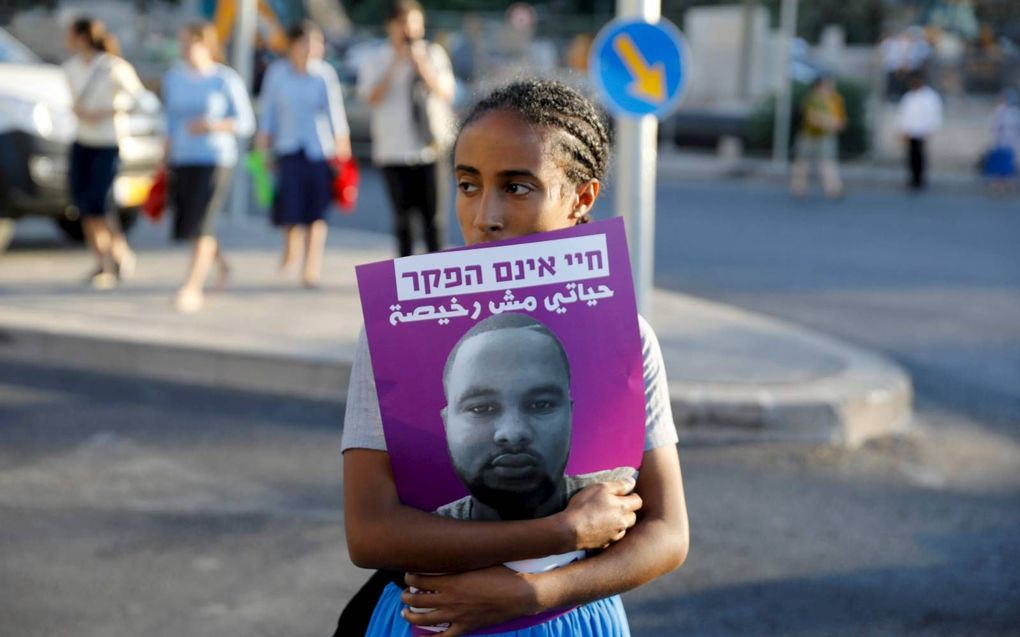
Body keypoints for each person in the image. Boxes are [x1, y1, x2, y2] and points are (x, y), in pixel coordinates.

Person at [339, 80, 688, 637]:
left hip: (572, 619)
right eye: (468, 185)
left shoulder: (625, 337)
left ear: (581, 198)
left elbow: (668, 533)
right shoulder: (397, 330)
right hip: (429, 619)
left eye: (518, 187)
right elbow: (371, 533)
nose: (486, 215)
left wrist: (535, 594)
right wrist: (562, 534)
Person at [437, 313, 633, 522]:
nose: (513, 433)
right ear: (446, 423)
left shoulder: (621, 491)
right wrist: (566, 532)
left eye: (542, 404)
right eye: (481, 408)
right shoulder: (418, 539)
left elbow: (666, 534)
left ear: (570, 414)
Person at [162, 22, 254, 312]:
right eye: (183, 42)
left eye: (192, 42)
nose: (186, 49)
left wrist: (212, 125)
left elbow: (245, 122)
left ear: (206, 45)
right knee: (191, 224)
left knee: (203, 221)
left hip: (215, 158)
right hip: (182, 157)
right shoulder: (174, 77)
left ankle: (192, 286)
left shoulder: (223, 79)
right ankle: (222, 266)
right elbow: (168, 120)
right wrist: (163, 156)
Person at [256, 21, 351, 288]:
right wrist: (263, 149)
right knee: (290, 209)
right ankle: (291, 247)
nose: (312, 49)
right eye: (307, 42)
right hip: (288, 149)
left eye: (317, 43)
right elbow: (268, 115)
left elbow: (336, 115)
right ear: (293, 44)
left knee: (316, 211)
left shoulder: (324, 74)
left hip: (319, 151)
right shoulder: (277, 73)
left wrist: (343, 151)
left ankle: (311, 268)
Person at [357, 0, 455, 257]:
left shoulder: (433, 54)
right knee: (404, 221)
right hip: (393, 150)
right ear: (391, 27)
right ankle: (407, 276)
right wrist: (395, 65)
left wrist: (421, 66)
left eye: (414, 24)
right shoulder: (377, 57)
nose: (409, 30)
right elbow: (371, 96)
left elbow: (447, 92)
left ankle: (439, 275)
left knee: (434, 219)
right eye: (403, 24)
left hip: (429, 148)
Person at [63, 17, 145, 289]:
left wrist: (106, 111)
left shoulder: (112, 67)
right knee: (84, 206)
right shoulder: (71, 68)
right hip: (82, 140)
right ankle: (101, 260)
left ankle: (118, 255)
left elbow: (139, 100)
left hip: (107, 141)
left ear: (83, 36)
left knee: (101, 203)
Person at [790, 75, 847, 199]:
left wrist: (829, 122)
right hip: (809, 135)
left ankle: (833, 189)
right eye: (824, 87)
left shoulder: (835, 100)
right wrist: (829, 122)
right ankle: (798, 188)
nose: (827, 89)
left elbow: (840, 122)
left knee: (828, 162)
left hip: (826, 136)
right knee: (802, 162)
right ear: (817, 87)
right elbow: (812, 118)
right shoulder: (811, 99)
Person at [897, 72, 943, 191]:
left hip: (922, 130)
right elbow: (903, 114)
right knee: (911, 156)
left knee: (920, 156)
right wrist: (903, 129)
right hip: (911, 130)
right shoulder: (909, 96)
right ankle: (913, 179)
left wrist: (931, 129)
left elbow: (934, 114)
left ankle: (920, 179)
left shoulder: (930, 97)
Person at [983, 88, 1020, 194]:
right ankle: (1003, 185)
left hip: (1004, 143)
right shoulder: (1012, 112)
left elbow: (994, 126)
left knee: (1003, 166)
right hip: (1007, 143)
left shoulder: (1004, 111)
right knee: (1004, 166)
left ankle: (1002, 185)